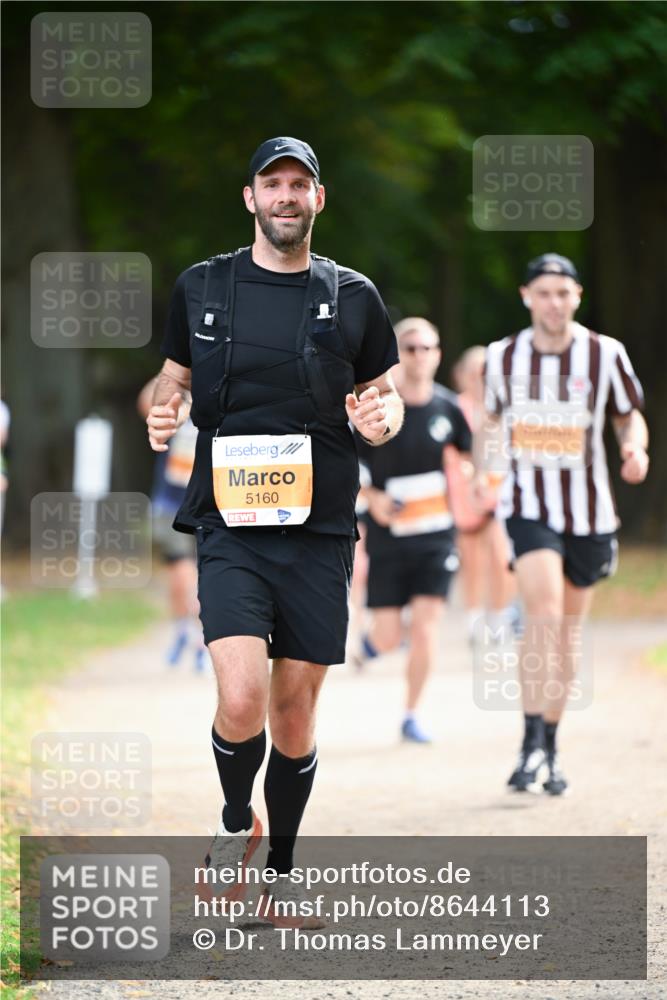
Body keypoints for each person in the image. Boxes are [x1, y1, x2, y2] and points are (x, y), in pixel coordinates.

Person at [146, 137, 403, 921]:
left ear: (317, 199)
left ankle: (281, 878)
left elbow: (384, 396)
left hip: (320, 530)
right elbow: (169, 379)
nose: (285, 196)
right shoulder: (202, 287)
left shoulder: (352, 296)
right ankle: (235, 823)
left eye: (299, 184)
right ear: (250, 198)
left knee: (293, 712)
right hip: (230, 523)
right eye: (272, 184)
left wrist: (383, 420)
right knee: (240, 696)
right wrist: (161, 407)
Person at [480, 253, 648, 795]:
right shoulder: (502, 356)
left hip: (590, 512)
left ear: (577, 297)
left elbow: (627, 416)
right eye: (544, 293)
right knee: (544, 616)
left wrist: (635, 449)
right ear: (526, 297)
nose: (554, 303)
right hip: (528, 505)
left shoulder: (605, 353)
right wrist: (486, 470)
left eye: (563, 293)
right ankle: (529, 742)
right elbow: (490, 422)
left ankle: (549, 745)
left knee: (568, 632)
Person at [356, 317, 471, 743]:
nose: (419, 356)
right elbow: (351, 465)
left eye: (427, 348)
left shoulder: (449, 408)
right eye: (410, 348)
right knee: (389, 635)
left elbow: (468, 456)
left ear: (438, 355)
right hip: (388, 536)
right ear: (396, 355)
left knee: (425, 627)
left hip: (437, 537)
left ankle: (412, 714)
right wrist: (373, 498)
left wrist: (469, 476)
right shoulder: (379, 409)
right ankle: (372, 646)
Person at [448, 346, 517, 643]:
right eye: (474, 372)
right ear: (461, 375)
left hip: (501, 490)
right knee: (472, 558)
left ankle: (499, 617)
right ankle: (474, 620)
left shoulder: (505, 407)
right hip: (464, 492)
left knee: (502, 556)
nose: (480, 378)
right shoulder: (455, 408)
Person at [137, 379, 204, 670]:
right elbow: (145, 403)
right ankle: (185, 632)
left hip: (208, 505)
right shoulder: (177, 401)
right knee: (181, 572)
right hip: (172, 503)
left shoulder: (217, 395)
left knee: (196, 574)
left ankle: (197, 637)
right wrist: (174, 369)